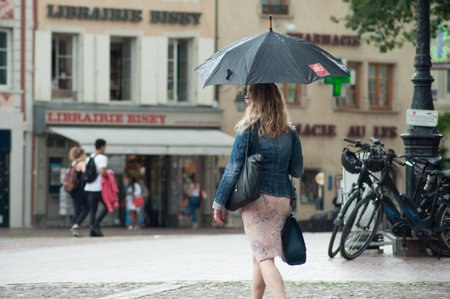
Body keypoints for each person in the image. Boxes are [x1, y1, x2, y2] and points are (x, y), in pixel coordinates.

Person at [213, 83, 303, 299]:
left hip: (256, 201)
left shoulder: (248, 129)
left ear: (255, 101)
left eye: (248, 98)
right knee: (259, 256)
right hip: (282, 199)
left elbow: (233, 167)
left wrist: (219, 201)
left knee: (264, 258)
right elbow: (297, 170)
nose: (246, 101)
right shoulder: (289, 132)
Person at [84, 139, 108, 237]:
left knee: (93, 210)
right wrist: (108, 174)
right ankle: (95, 224)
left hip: (89, 187)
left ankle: (93, 231)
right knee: (108, 206)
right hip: (98, 187)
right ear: (102, 146)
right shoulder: (102, 157)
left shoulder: (89, 157)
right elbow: (102, 172)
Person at [68, 146, 88, 237]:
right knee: (87, 208)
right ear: (81, 155)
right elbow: (85, 173)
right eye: (84, 154)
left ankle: (74, 228)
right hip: (80, 188)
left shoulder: (73, 163)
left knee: (77, 208)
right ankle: (76, 226)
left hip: (73, 189)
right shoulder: (81, 163)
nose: (85, 156)